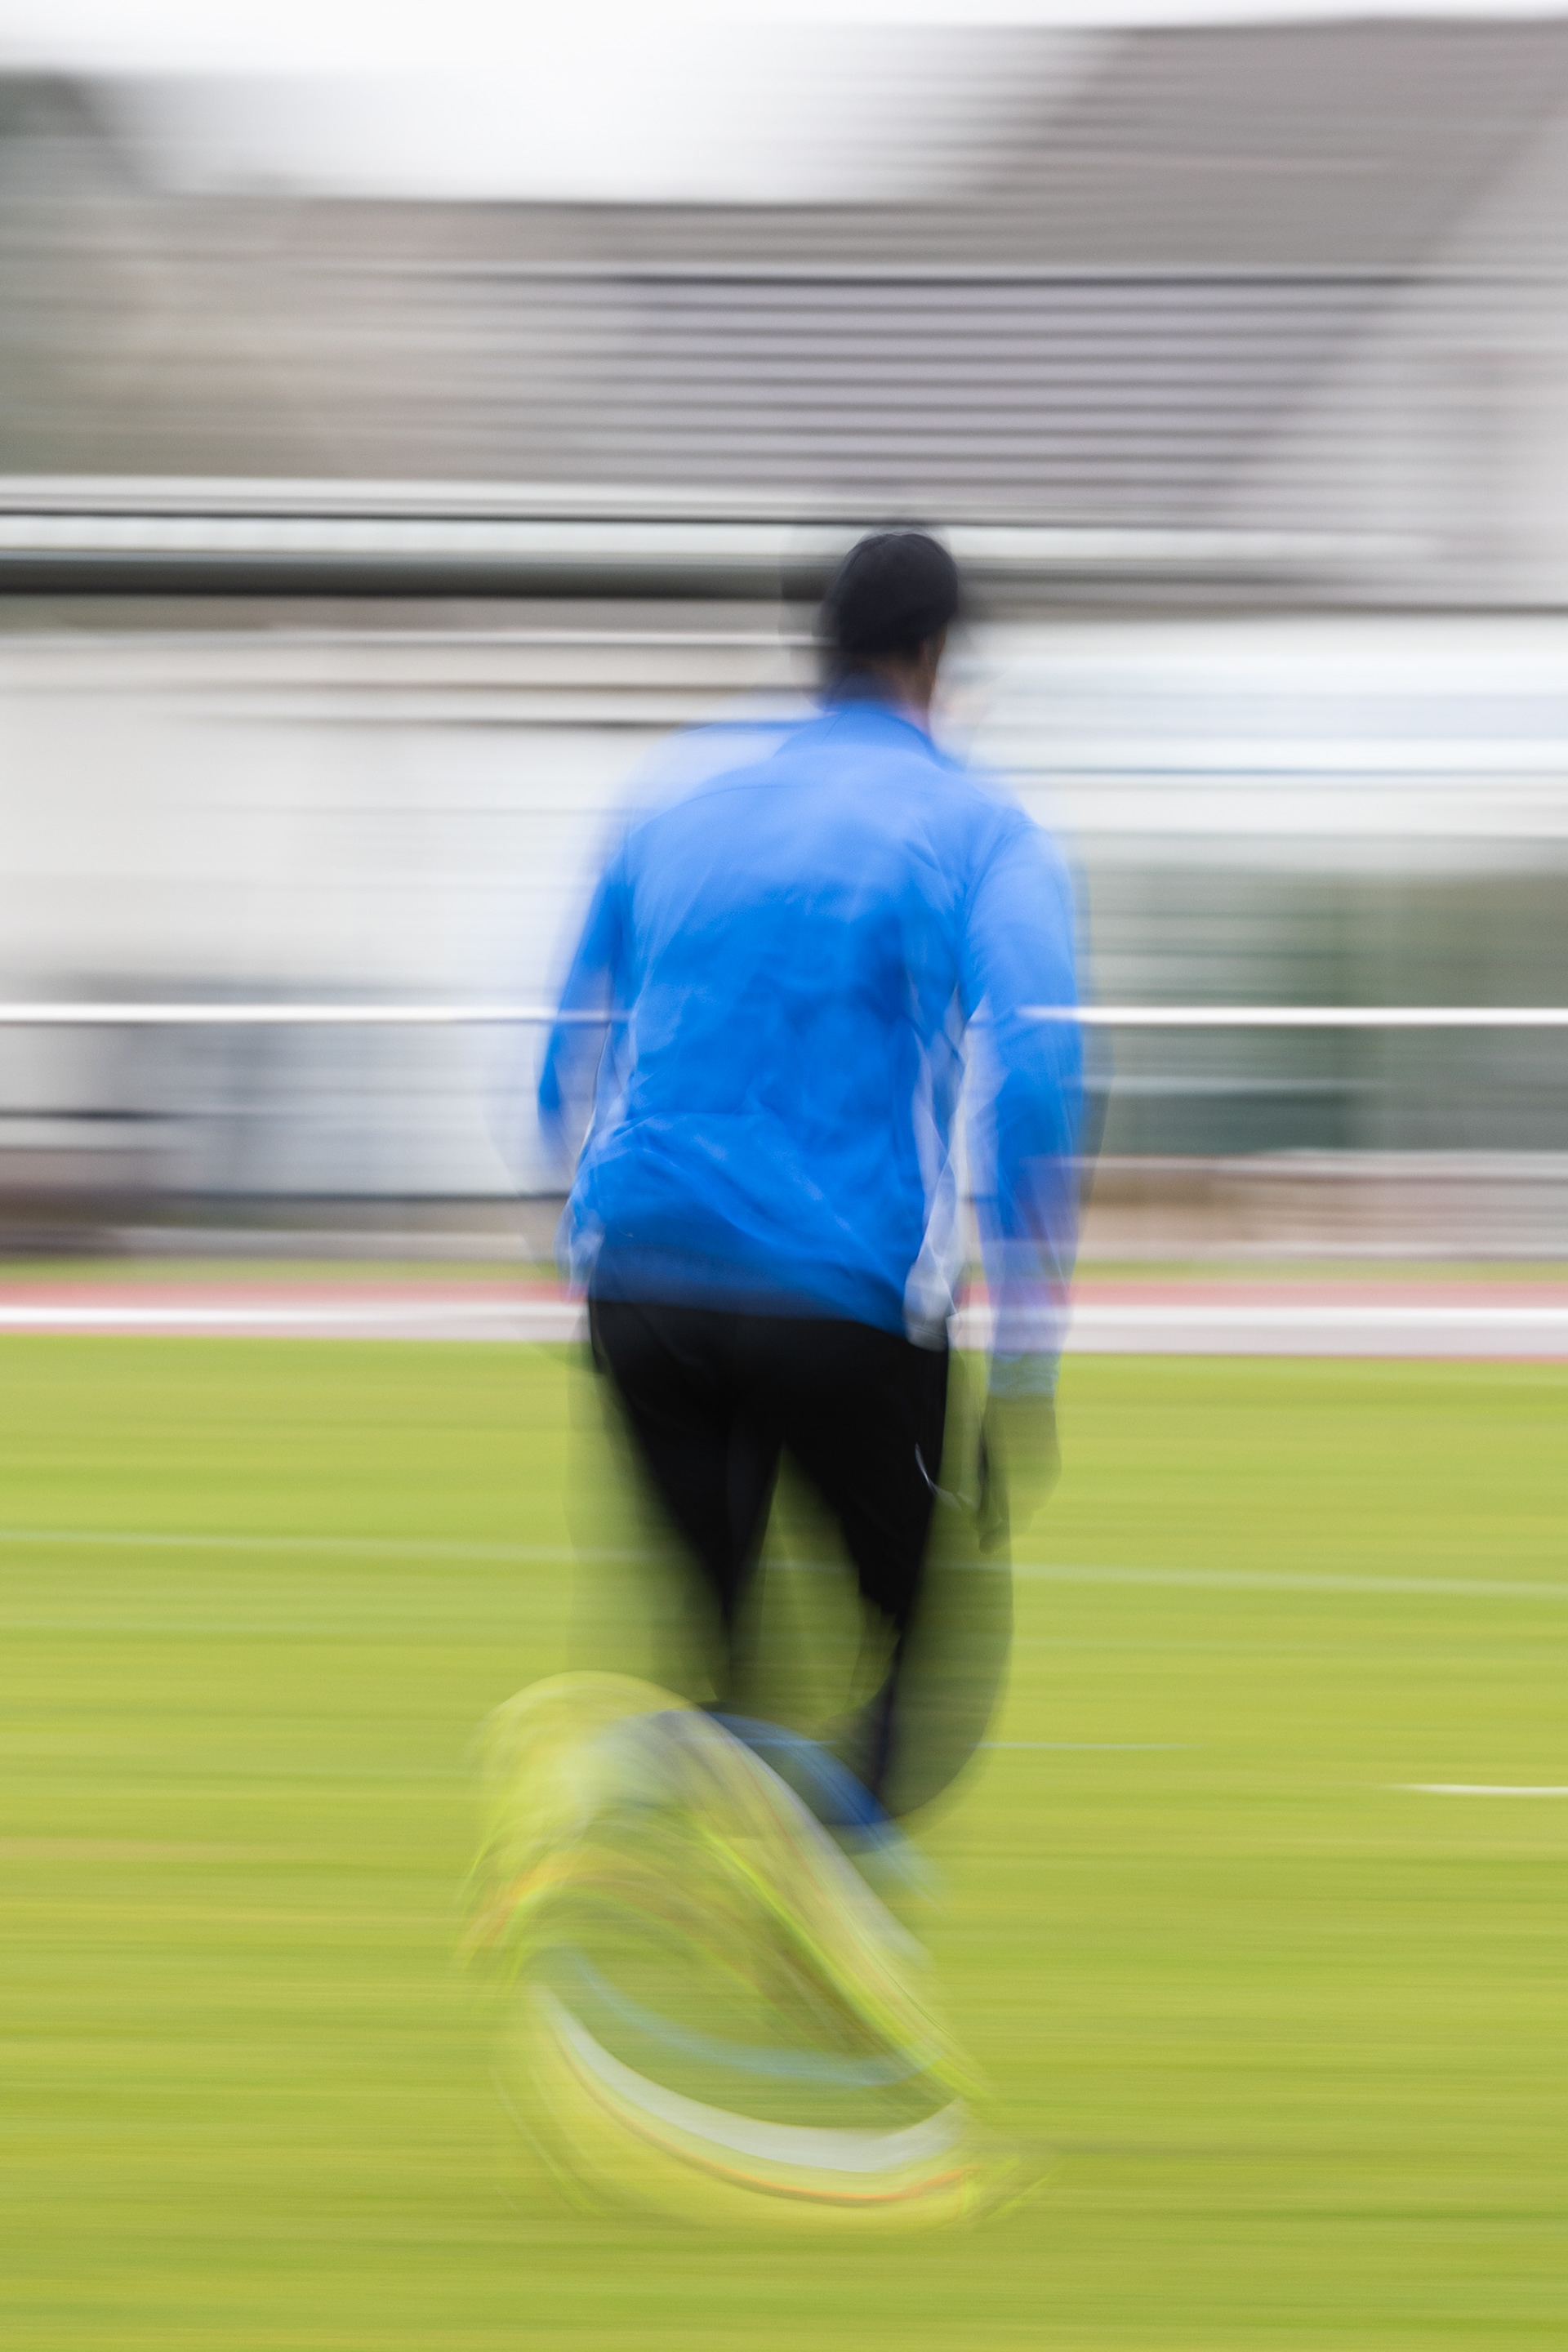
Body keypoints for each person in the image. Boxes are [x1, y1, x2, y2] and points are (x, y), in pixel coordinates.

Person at [538, 532, 1081, 1813]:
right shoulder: (977, 824)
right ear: (937, 658)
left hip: (641, 1289)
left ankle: (718, 1857)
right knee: (921, 1659)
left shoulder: (671, 795)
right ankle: (828, 1922)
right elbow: (1041, 1079)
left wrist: (578, 1249)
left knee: (728, 1681)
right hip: (839, 1296)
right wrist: (1025, 1364)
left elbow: (565, 1041)